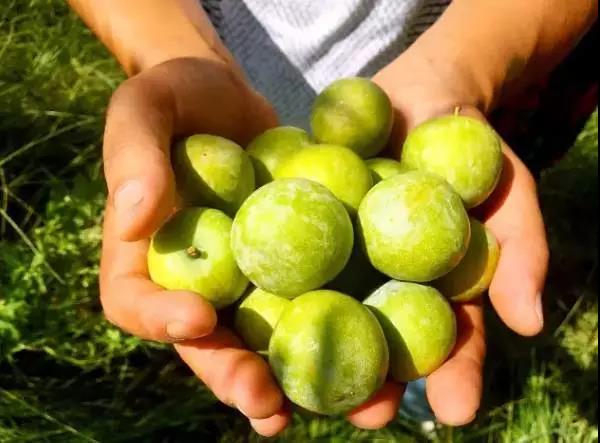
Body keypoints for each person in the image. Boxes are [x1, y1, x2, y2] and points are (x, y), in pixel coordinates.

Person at [67, 0, 597, 437]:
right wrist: (170, 52)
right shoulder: (270, 214)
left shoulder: (393, 195)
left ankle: (413, 385)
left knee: (424, 330)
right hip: (233, 87)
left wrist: (466, 63)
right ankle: (412, 385)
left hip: (440, 64)